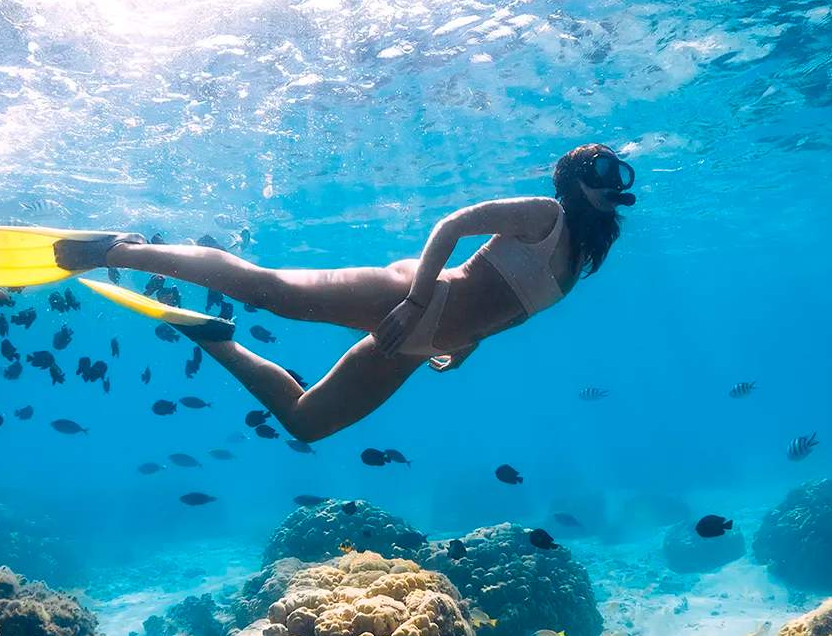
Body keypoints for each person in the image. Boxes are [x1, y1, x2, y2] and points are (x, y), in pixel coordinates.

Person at [53, 142, 635, 441]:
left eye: (621, 177)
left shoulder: (580, 260)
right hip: (411, 298)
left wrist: (468, 346)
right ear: (577, 182)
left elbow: (507, 310)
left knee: (308, 424)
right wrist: (414, 300)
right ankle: (115, 250)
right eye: (607, 173)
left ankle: (211, 337)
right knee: (270, 289)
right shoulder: (544, 214)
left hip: (419, 342)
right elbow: (453, 226)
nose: (617, 185)